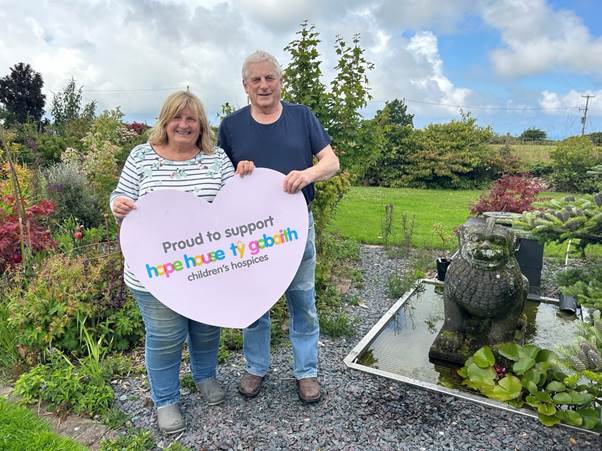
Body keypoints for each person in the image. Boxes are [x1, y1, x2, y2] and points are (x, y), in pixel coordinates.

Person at [110, 91, 243, 434]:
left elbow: (236, 204)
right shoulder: (141, 157)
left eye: (192, 119)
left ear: (201, 125)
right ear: (165, 122)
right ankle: (166, 400)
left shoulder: (216, 160)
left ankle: (204, 378)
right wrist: (119, 204)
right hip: (155, 273)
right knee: (166, 335)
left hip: (206, 269)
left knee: (206, 329)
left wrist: (249, 177)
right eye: (177, 118)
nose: (184, 125)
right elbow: (119, 195)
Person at [218, 50, 340, 403]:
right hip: (251, 232)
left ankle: (306, 372)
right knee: (255, 302)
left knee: (302, 299)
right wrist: (237, 173)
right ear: (245, 86)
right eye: (255, 79)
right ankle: (256, 367)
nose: (264, 85)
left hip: (296, 226)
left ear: (281, 81)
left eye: (270, 77)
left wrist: (308, 174)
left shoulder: (302, 117)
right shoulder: (232, 125)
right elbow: (220, 177)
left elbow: (331, 162)